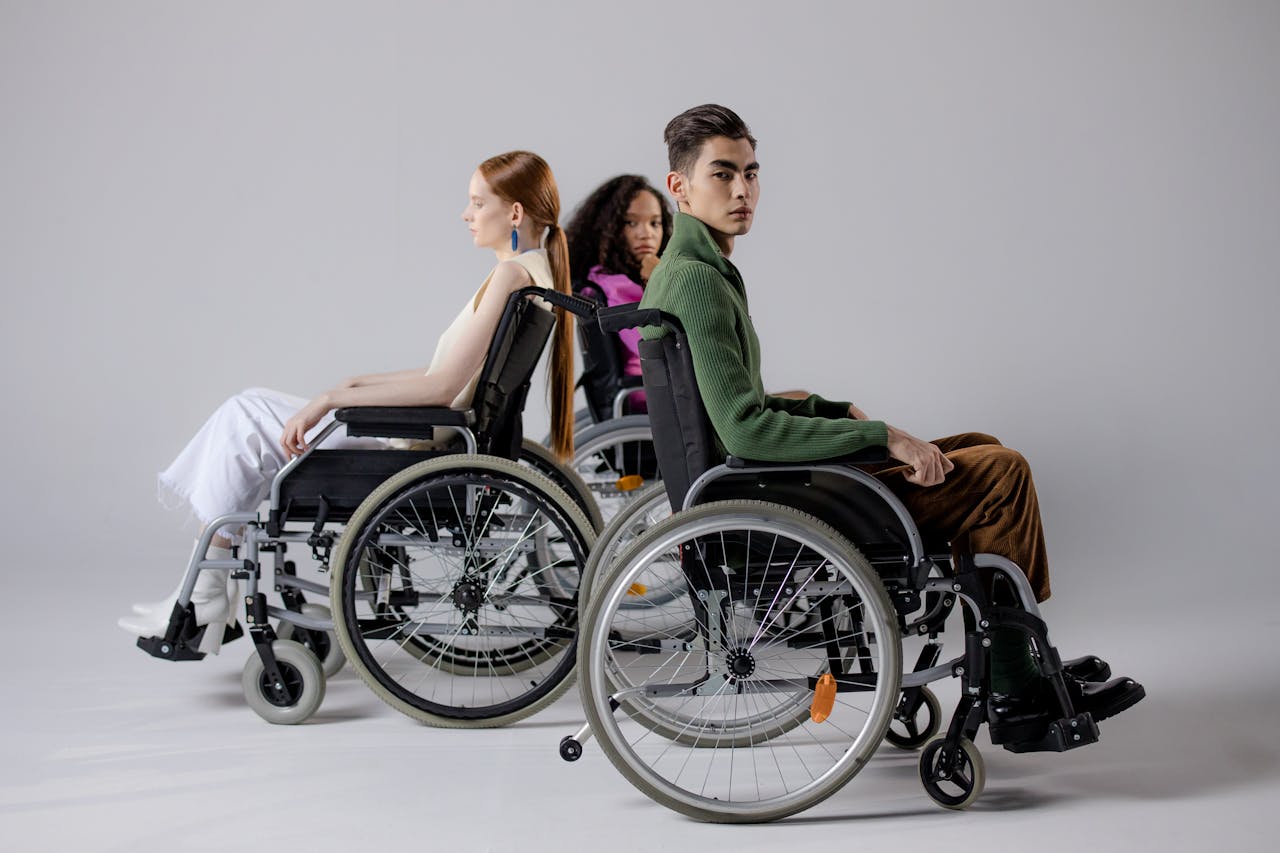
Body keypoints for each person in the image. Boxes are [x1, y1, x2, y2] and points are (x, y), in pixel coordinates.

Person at [638, 104, 1144, 745]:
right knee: (1001, 473)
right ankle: (1018, 687)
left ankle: (1018, 665)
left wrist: (829, 410)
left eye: (751, 173)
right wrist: (881, 437)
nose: (743, 191)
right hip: (775, 498)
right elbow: (744, 432)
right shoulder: (698, 282)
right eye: (723, 175)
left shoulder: (694, 272)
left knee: (979, 448)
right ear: (679, 187)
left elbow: (736, 407)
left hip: (767, 486)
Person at [119, 150, 576, 654]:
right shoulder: (530, 273)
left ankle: (207, 589)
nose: (465, 214)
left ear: (514, 213)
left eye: (476, 202)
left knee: (242, 416)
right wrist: (354, 384)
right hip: (426, 432)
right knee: (248, 405)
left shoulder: (513, 277)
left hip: (416, 442)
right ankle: (209, 586)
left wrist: (335, 399)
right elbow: (442, 377)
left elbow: (443, 389)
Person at [565, 175, 673, 413]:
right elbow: (657, 342)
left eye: (655, 223)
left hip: (660, 390)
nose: (646, 234)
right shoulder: (614, 285)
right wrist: (658, 279)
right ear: (610, 229)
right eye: (631, 223)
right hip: (652, 398)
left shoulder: (608, 279)